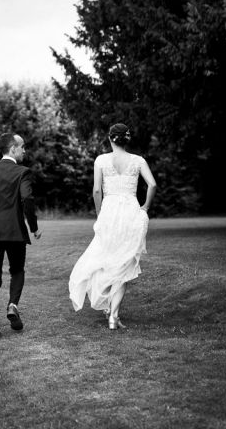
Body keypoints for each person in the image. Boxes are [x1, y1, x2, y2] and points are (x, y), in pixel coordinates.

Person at [68, 123, 157, 330]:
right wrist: (145, 206)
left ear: (110, 138)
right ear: (127, 140)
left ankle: (111, 310)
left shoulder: (101, 160)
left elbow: (96, 191)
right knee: (124, 261)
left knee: (107, 258)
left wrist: (100, 215)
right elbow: (152, 185)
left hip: (109, 211)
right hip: (130, 211)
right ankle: (113, 315)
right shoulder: (138, 160)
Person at [0, 133, 42, 343]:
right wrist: (33, 226)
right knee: (17, 271)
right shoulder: (23, 172)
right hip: (15, 232)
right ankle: (13, 304)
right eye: (22, 147)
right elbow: (27, 199)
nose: (24, 150)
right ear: (12, 148)